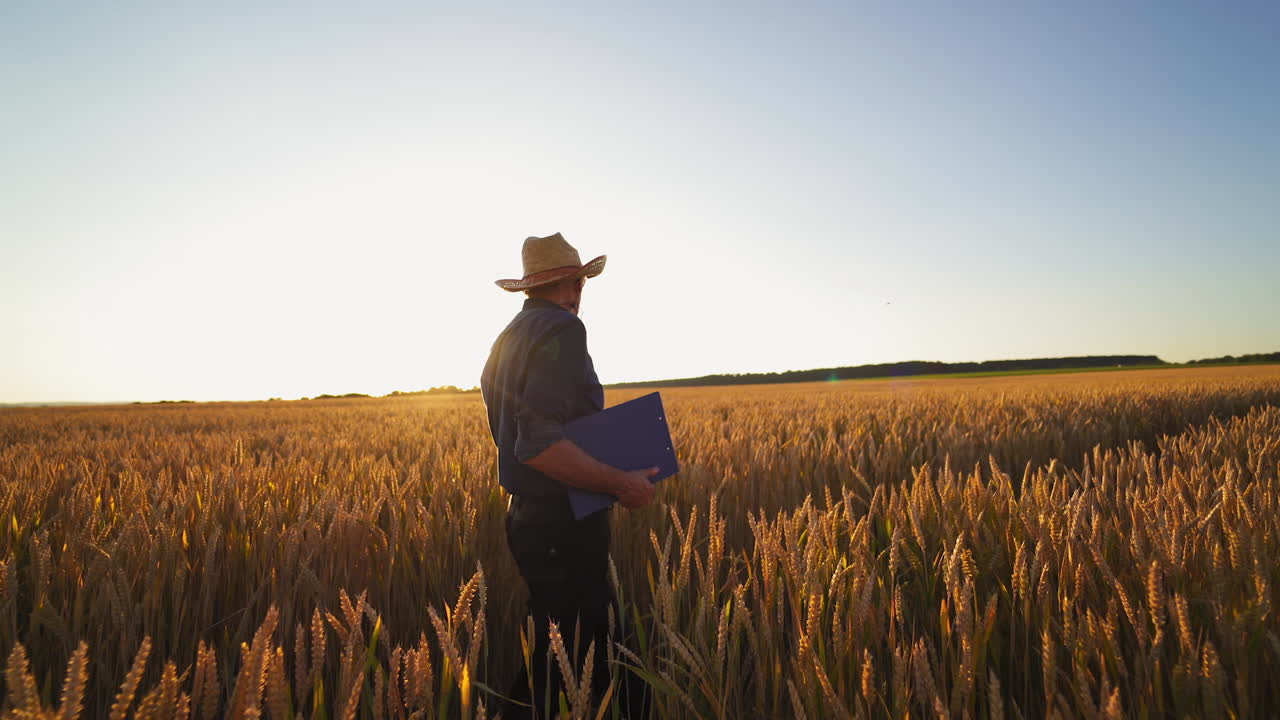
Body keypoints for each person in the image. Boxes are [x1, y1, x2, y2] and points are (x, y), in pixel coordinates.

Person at [481, 232, 657, 719]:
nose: (579, 291)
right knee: (585, 656)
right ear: (563, 284)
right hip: (563, 520)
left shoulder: (508, 338)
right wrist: (620, 483)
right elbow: (537, 444)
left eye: (580, 280)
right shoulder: (562, 330)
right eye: (574, 281)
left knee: (557, 647)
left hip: (529, 521)